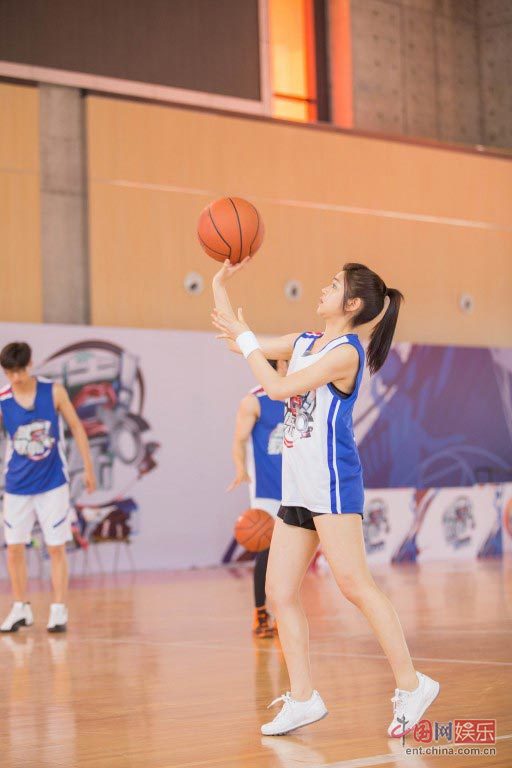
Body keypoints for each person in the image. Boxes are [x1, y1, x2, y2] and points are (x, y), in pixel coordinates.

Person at [212, 259, 440, 738]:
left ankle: (412, 683)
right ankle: (303, 698)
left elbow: (276, 387)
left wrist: (248, 341)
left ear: (352, 304)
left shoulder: (345, 354)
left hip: (332, 485)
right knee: (279, 592)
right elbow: (239, 341)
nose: (323, 287)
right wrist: (219, 285)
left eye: (333, 285)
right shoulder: (303, 342)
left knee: (355, 586)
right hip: (298, 486)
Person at [0, 342, 96, 633]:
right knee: (14, 548)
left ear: (30, 365)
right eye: (9, 372)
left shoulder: (53, 391)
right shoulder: (3, 399)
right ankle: (20, 607)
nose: (16, 377)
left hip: (52, 482)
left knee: (56, 547)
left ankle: (58, 609)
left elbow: (77, 427)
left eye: (20, 371)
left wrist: (89, 468)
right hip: (16, 484)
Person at [228, 360, 288, 638]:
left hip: (298, 488)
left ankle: (283, 613)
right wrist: (240, 468)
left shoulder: (301, 396)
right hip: (266, 489)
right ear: (281, 364)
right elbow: (239, 439)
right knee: (267, 550)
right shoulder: (254, 401)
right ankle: (261, 612)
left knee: (291, 556)